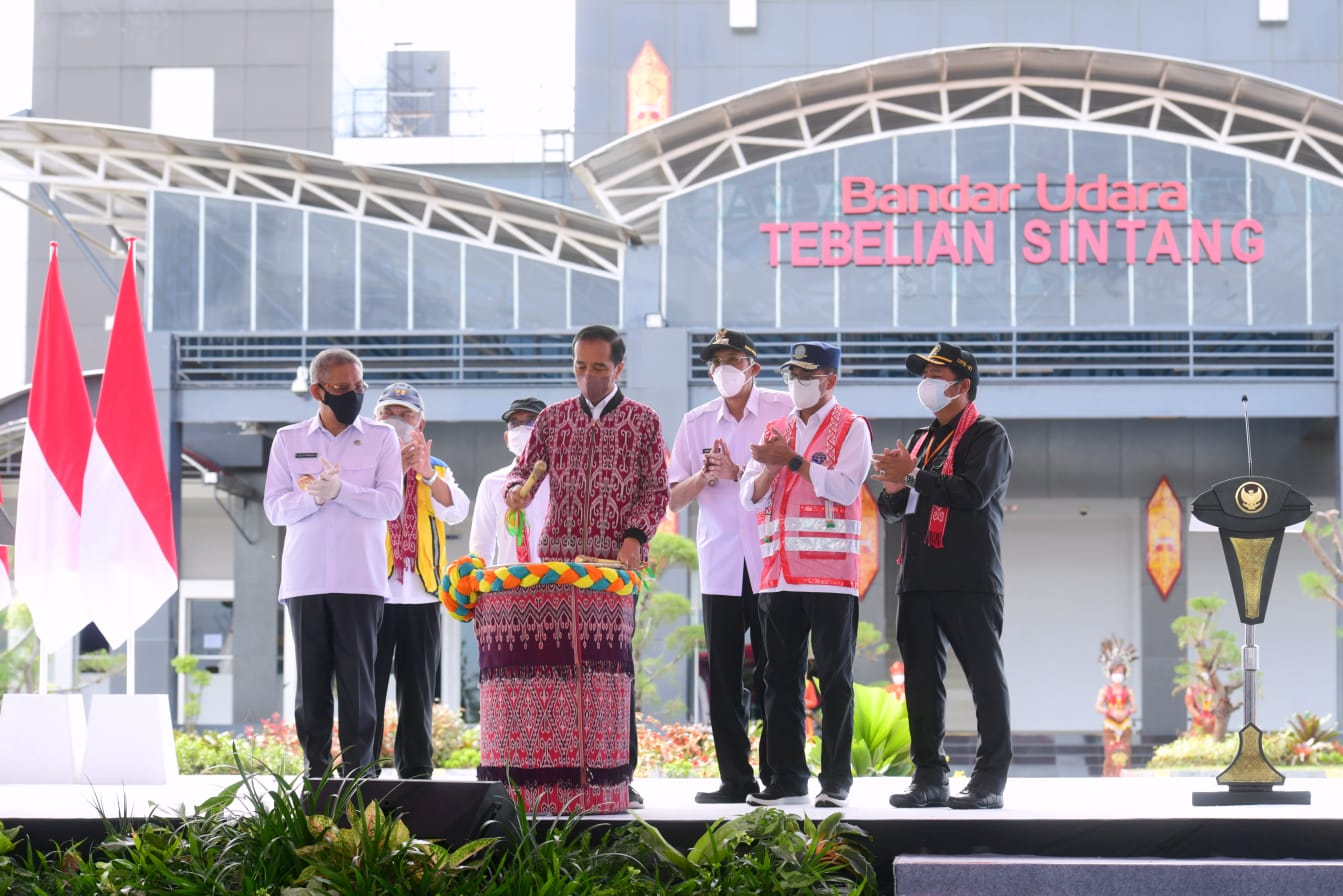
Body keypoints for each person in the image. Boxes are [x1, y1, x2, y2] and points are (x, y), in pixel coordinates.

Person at [494, 324, 670, 812]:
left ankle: (618, 775)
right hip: (558, 563)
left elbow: (657, 489)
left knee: (612, 671)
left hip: (615, 566)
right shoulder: (552, 420)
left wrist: (635, 535)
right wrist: (516, 489)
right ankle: (563, 774)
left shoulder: (644, 421)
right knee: (558, 669)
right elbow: (522, 470)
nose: (587, 377)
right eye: (579, 367)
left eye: (597, 368)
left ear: (618, 368)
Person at [873, 342, 1013, 810]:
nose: (927, 383)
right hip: (917, 577)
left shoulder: (988, 435)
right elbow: (894, 511)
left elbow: (971, 493)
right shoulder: (919, 438)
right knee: (920, 681)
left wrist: (912, 476)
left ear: (962, 386)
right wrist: (894, 485)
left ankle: (990, 778)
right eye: (925, 374)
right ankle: (930, 776)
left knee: (984, 678)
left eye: (937, 375)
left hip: (969, 577)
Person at [738, 341, 872, 810]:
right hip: (779, 577)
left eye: (806, 375)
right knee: (780, 678)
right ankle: (788, 778)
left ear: (829, 380)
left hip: (830, 577)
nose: (796, 383)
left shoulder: (851, 428)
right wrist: (771, 469)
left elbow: (845, 487)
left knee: (834, 678)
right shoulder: (774, 429)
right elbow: (748, 497)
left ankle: (836, 781)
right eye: (792, 374)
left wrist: (792, 461)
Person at [263, 348, 403, 779]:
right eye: (342, 389)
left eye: (359, 387)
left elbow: (391, 503)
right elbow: (273, 509)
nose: (353, 395)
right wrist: (313, 497)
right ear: (317, 391)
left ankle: (359, 776)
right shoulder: (290, 439)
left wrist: (343, 491)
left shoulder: (381, 438)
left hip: (360, 579)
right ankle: (316, 773)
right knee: (311, 686)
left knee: (359, 685)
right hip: (306, 579)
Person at [668, 329, 793, 804]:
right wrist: (705, 475)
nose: (724, 367)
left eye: (733, 359)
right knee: (723, 674)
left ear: (753, 367)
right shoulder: (696, 422)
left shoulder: (783, 412)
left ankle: (780, 776)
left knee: (776, 671)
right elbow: (672, 496)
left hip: (772, 561)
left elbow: (795, 477)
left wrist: (740, 473)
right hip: (720, 561)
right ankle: (734, 780)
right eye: (716, 360)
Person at [372, 382, 470, 779]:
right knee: (368, 686)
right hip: (373, 592)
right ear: (375, 420)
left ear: (420, 422)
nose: (396, 421)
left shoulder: (438, 467)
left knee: (416, 688)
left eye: (405, 415)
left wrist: (426, 472)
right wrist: (392, 466)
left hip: (422, 594)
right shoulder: (365, 463)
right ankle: (361, 765)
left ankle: (415, 768)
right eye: (389, 414)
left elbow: (456, 510)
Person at [469, 397, 551, 565]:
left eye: (531, 422)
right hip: (508, 584)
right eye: (515, 423)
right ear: (507, 438)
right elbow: (481, 546)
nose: (522, 429)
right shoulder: (492, 483)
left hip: (556, 584)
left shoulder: (561, 479)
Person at [1095, 636, 1138, 777]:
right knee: (1110, 753)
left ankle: (1123, 777)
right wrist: (1110, 712)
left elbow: (1134, 707)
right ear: (1110, 673)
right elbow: (1098, 706)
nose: (1118, 675)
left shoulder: (1128, 691)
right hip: (1110, 725)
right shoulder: (1105, 690)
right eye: (1116, 673)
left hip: (1124, 725)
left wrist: (1127, 712)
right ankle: (1109, 777)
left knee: (1125, 753)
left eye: (1121, 673)